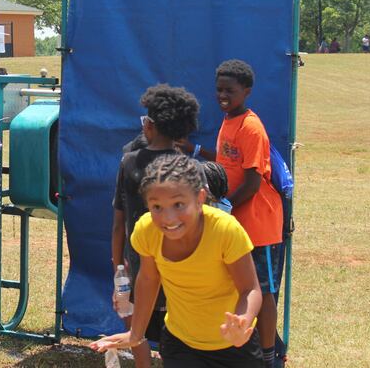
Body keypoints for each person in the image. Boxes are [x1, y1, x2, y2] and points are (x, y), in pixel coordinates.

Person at [92, 154, 263, 368]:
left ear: (200, 199)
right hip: (180, 345)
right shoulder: (147, 230)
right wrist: (135, 333)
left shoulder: (225, 230)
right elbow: (148, 278)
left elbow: (250, 288)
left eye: (179, 204)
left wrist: (242, 322)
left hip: (235, 350)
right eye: (157, 207)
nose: (168, 218)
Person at [182, 59, 284, 368]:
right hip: (237, 223)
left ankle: (269, 357)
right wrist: (195, 151)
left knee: (263, 291)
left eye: (230, 90)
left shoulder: (251, 127)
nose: (222, 95)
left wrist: (224, 209)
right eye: (219, 90)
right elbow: (229, 164)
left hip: (259, 225)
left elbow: (252, 181)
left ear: (247, 91)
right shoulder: (229, 121)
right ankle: (251, 350)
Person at [112, 84, 200, 368]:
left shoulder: (129, 162)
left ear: (148, 126)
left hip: (139, 261)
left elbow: (118, 221)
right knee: (174, 326)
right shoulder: (187, 167)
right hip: (180, 264)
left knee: (135, 320)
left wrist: (119, 267)